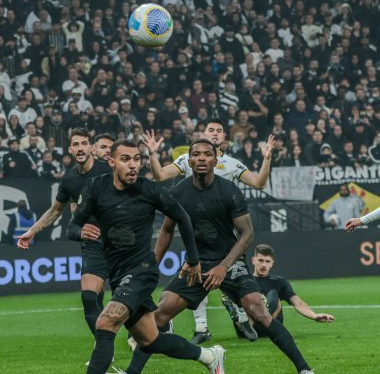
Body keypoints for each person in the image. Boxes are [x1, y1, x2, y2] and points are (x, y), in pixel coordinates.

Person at [124, 139, 314, 374]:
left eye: (207, 155)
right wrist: (152, 265)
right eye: (196, 154)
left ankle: (304, 370)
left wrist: (224, 266)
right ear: (189, 160)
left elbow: (247, 234)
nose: (201, 158)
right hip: (197, 265)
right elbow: (166, 230)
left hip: (230, 262)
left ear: (215, 160)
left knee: (259, 311)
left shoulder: (229, 190)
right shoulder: (178, 192)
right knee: (160, 315)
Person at [67, 139, 226, 374]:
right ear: (111, 162)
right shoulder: (95, 187)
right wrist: (80, 232)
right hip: (118, 274)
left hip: (142, 270)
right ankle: (210, 356)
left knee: (105, 321)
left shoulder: (149, 190)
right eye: (125, 159)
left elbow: (182, 217)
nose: (133, 165)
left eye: (136, 159)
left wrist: (193, 260)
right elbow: (72, 227)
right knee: (151, 340)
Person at [144, 118, 275, 343]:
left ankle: (241, 318)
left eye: (219, 131)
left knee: (238, 288)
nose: (214, 133)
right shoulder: (188, 158)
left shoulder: (232, 164)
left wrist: (267, 158)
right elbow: (160, 176)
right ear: (202, 134)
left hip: (224, 232)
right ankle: (202, 327)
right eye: (210, 130)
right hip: (196, 230)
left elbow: (259, 183)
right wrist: (153, 155)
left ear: (224, 138)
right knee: (197, 278)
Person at [17, 128, 111, 344]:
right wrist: (32, 231)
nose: (80, 148)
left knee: (132, 299)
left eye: (84, 143)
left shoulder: (107, 170)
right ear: (70, 149)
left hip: (118, 241)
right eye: (75, 144)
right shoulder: (69, 179)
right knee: (90, 298)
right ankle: (104, 347)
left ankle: (153, 329)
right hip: (92, 242)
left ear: (91, 147)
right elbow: (55, 210)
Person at [222, 244, 335, 338]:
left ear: (272, 263)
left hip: (266, 327)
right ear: (253, 260)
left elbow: (298, 303)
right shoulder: (244, 280)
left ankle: (246, 313)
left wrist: (314, 316)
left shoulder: (279, 282)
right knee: (242, 294)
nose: (263, 265)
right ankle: (244, 319)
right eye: (260, 260)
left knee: (273, 295)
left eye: (267, 261)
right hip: (249, 330)